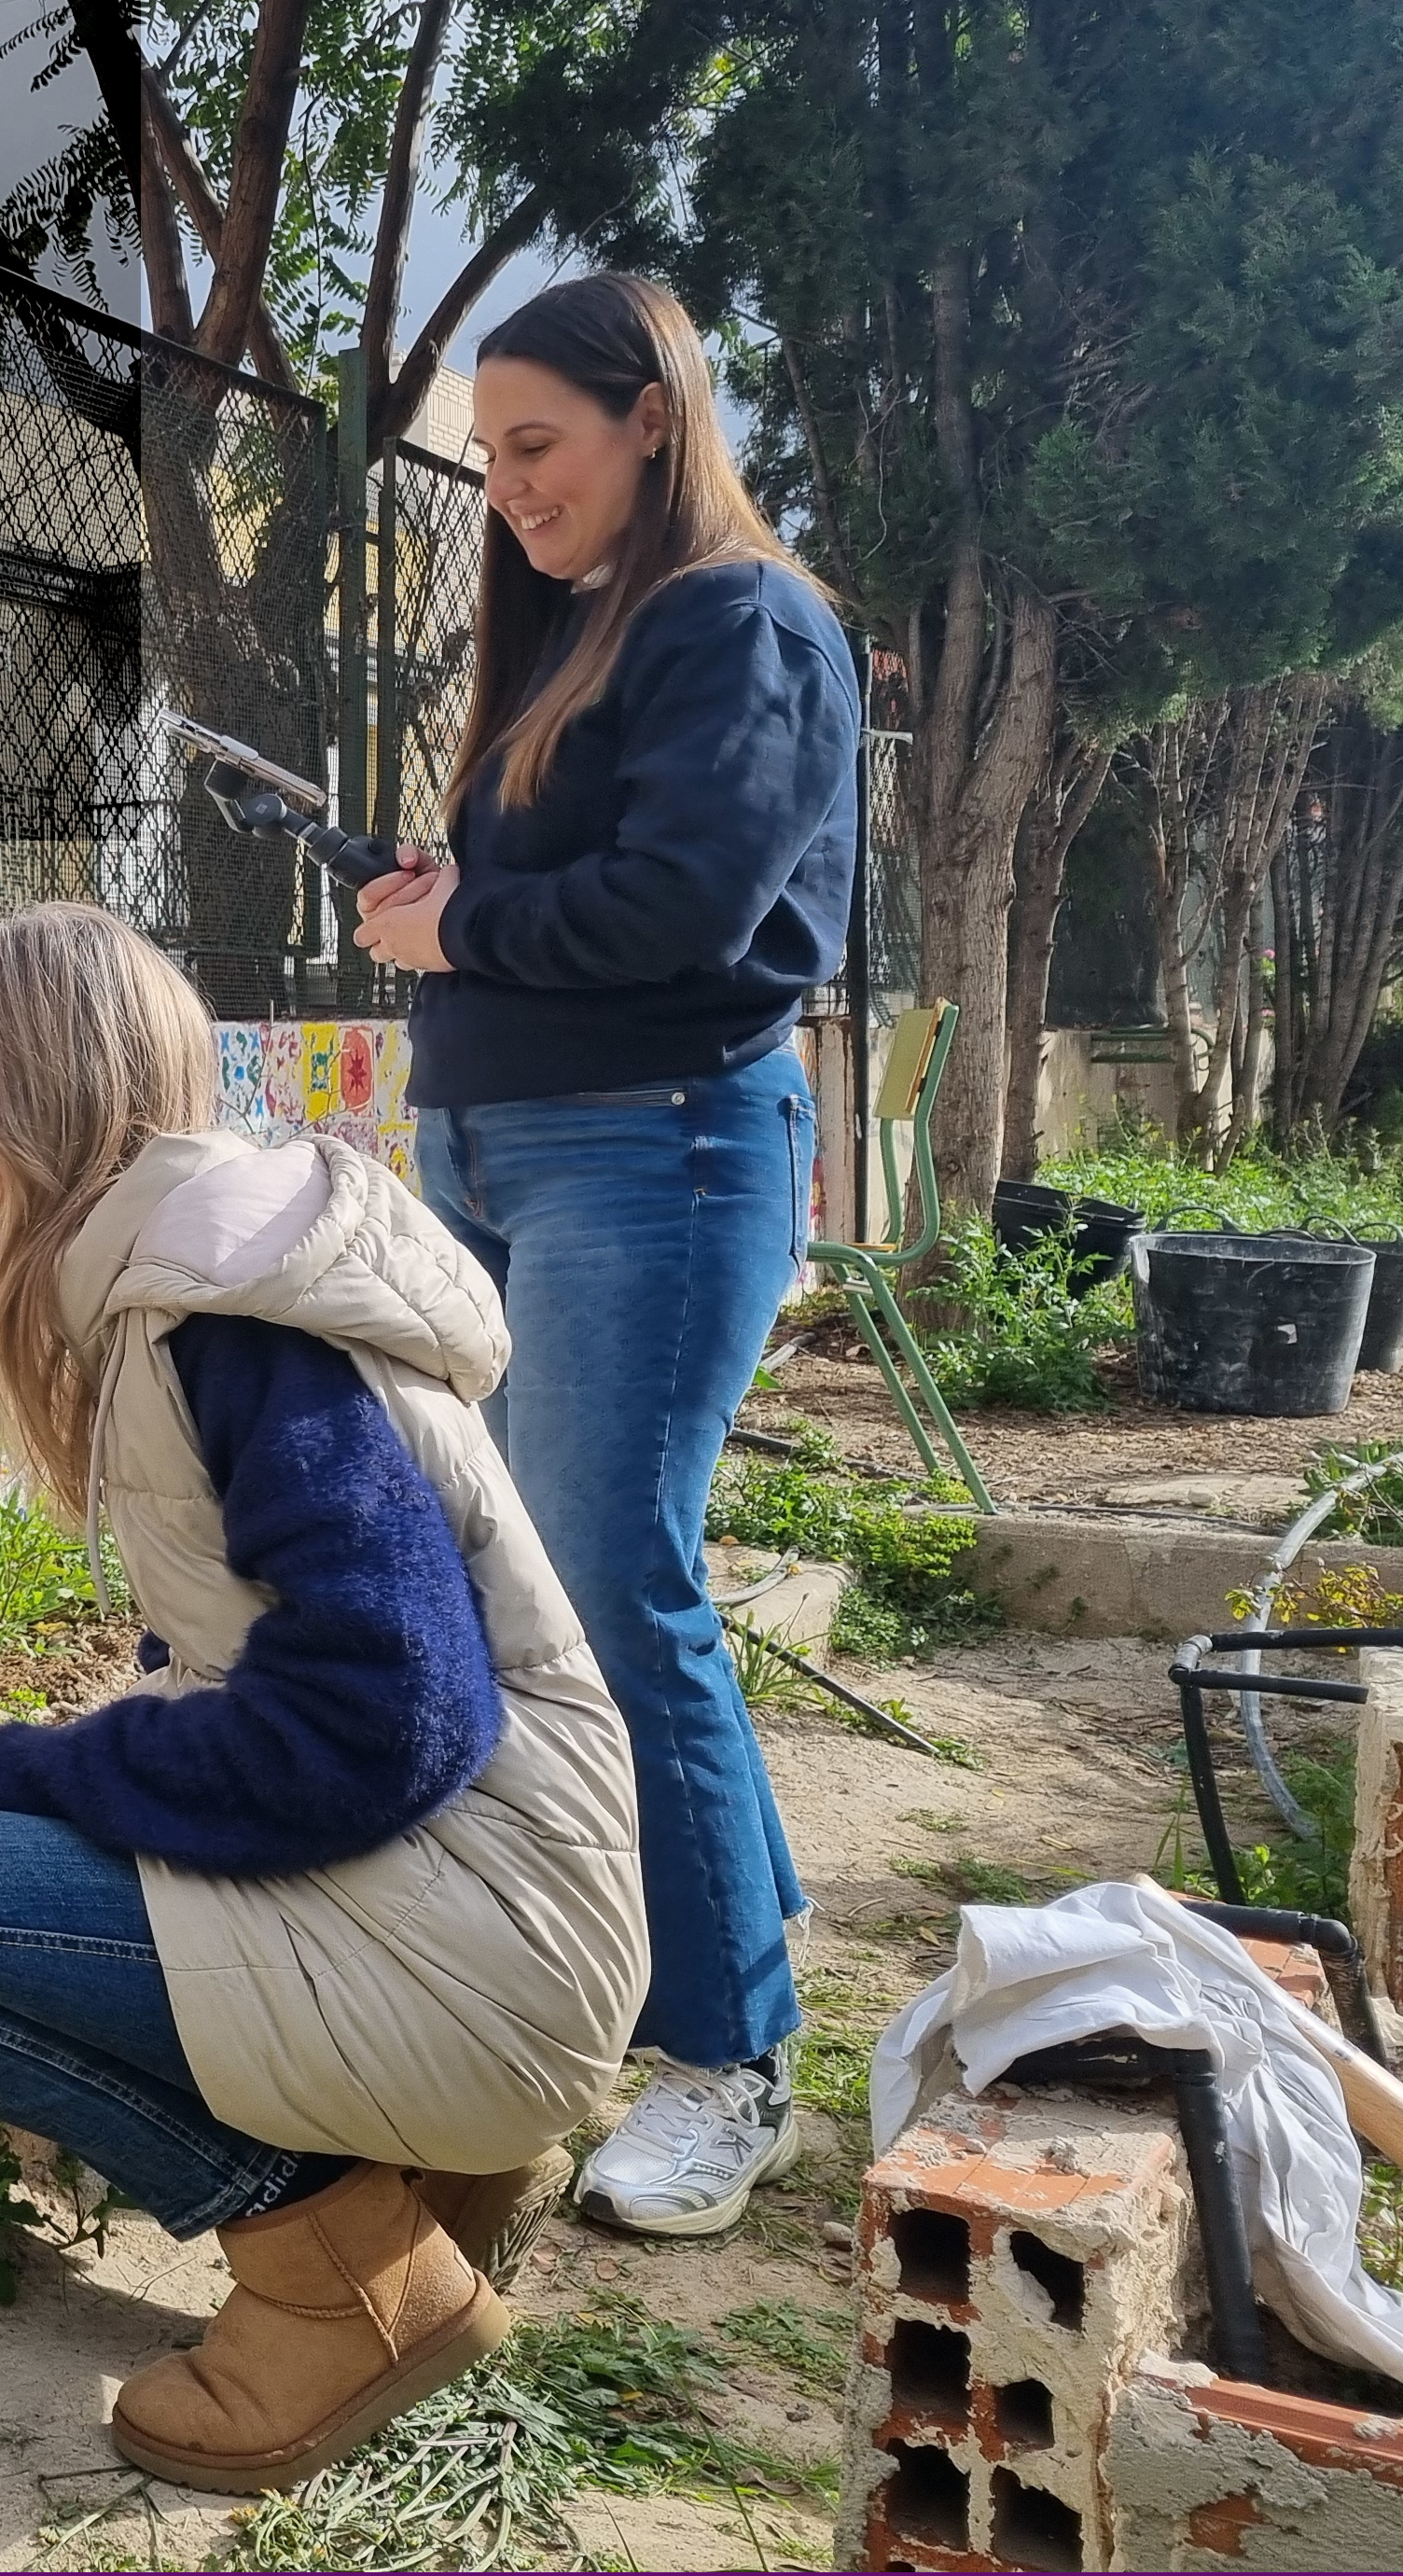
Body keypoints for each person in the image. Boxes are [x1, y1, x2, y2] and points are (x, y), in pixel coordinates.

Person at [0, 904, 650, 2497]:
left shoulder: (219, 1312)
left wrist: (51, 1762)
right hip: (483, 1923)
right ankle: (421, 2172)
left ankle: (341, 2273)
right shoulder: (211, 1279)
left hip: (480, 1952)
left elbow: (381, 1715)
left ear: (23, 1104)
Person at [350, 271, 861, 2238]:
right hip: (513, 1153)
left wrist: (464, 928)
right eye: (486, 461)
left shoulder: (746, 619)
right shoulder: (593, 634)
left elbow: (696, 906)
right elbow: (577, 886)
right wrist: (448, 898)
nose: (509, 490)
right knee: (538, 1585)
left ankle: (731, 2066)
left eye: (537, 445)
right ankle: (713, 1929)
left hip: (652, 1154)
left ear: (656, 415)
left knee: (612, 1586)